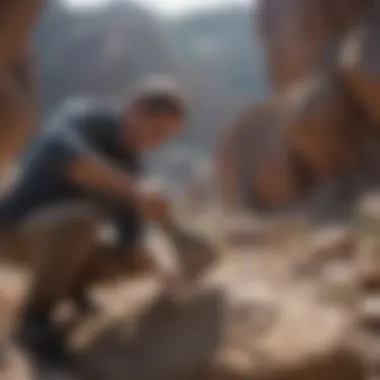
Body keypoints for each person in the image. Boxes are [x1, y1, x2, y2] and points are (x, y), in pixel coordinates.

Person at [0, 76, 187, 368]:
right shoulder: (83, 117)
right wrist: (135, 190)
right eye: (157, 128)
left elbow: (133, 235)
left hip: (62, 243)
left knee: (133, 256)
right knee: (80, 220)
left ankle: (71, 287)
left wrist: (163, 264)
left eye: (167, 135)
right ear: (133, 109)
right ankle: (34, 322)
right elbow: (73, 162)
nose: (158, 140)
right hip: (14, 232)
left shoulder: (133, 165)